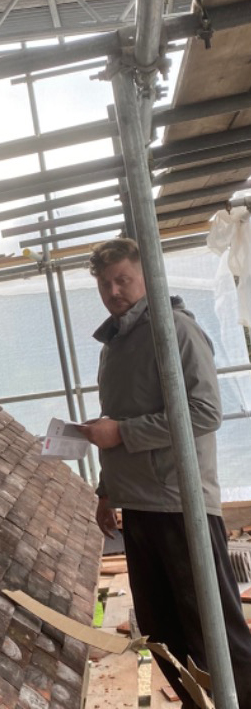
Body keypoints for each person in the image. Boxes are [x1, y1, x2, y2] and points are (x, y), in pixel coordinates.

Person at [78, 237, 251, 707]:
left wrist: (123, 434)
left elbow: (204, 412)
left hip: (181, 504)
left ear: (147, 277)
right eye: (105, 283)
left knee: (213, 631)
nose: (114, 291)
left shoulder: (175, 330)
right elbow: (114, 416)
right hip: (138, 506)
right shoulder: (112, 345)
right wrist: (104, 491)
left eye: (124, 280)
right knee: (162, 632)